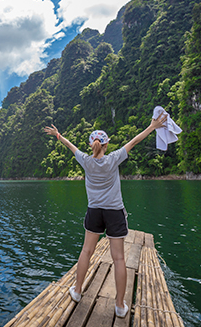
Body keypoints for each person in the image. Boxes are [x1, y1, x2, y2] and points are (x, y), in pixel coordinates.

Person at [43, 112, 168, 318]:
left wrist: (58, 135)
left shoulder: (85, 160)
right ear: (106, 145)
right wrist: (153, 126)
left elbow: (70, 146)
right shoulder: (114, 159)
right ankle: (119, 305)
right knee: (119, 259)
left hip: (94, 212)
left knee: (86, 252)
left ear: (91, 144)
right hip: (114, 212)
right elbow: (135, 141)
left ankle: (77, 291)